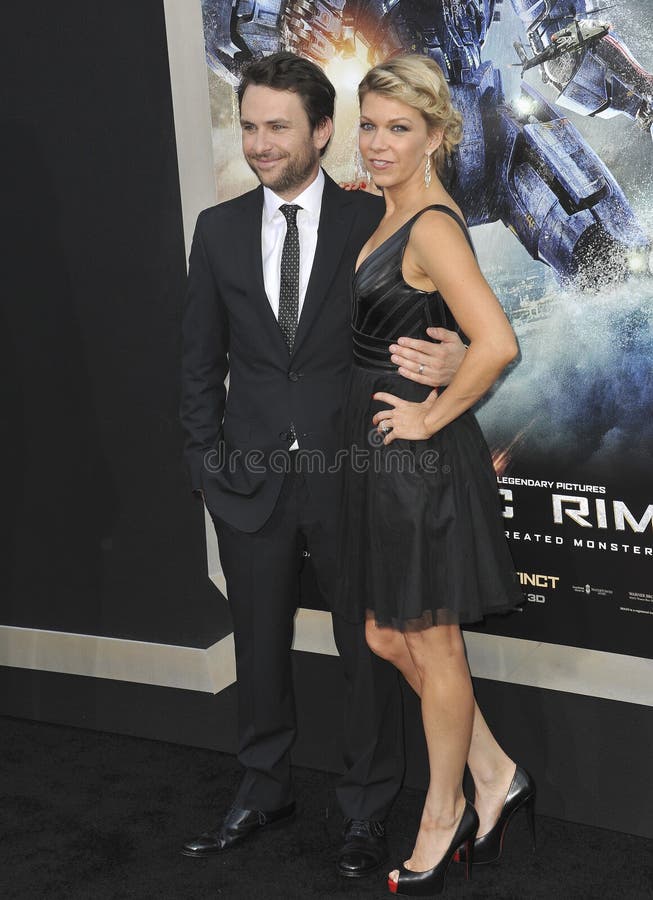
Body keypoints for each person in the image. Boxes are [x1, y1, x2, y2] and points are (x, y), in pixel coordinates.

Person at [179, 52, 467, 877]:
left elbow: (431, 311)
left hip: (357, 472)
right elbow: (197, 361)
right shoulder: (219, 229)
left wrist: (449, 360)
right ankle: (262, 785)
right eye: (248, 126)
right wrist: (204, 461)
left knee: (364, 649)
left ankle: (368, 808)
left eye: (277, 127)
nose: (260, 144)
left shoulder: (369, 223)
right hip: (248, 476)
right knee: (257, 644)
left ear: (320, 131)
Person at [334, 56, 535, 896]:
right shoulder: (391, 212)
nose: (377, 143)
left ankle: (441, 811)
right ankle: (495, 773)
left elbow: (496, 343)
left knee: (429, 641)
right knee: (390, 635)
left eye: (397, 129)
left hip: (417, 459)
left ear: (436, 137)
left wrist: (426, 412)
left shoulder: (430, 226)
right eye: (370, 124)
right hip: (380, 457)